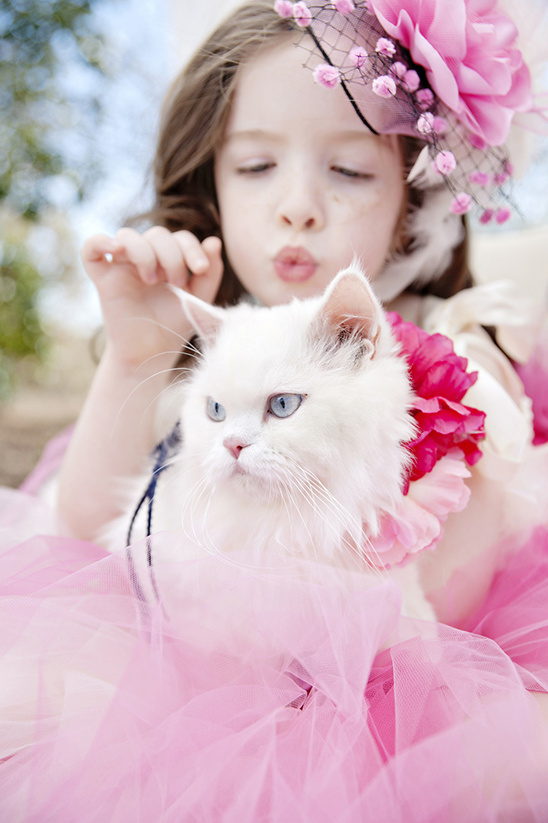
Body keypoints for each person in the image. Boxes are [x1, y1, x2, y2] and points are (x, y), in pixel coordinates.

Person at [3, 1, 548, 819]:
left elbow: (466, 576)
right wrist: (135, 356)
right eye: (256, 167)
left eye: (352, 171)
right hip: (189, 702)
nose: (298, 205)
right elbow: (78, 537)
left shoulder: (463, 350)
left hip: (401, 708)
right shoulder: (206, 344)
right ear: (211, 181)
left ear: (415, 193)